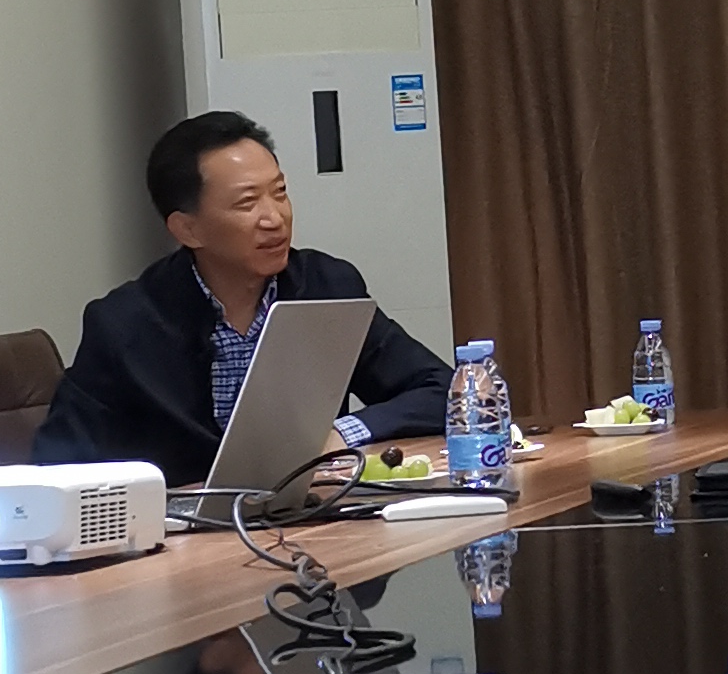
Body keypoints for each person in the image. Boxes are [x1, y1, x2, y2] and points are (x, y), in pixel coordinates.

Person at [35, 109, 453, 488]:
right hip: (186, 535)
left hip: (313, 519)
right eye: (247, 203)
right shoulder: (126, 324)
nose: (274, 218)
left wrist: (340, 434)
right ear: (187, 230)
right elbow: (56, 465)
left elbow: (443, 390)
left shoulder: (325, 287)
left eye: (280, 192)